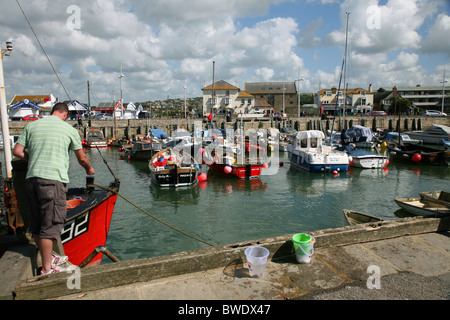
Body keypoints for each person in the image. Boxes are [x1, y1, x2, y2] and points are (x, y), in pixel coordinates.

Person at [13, 102, 95, 275]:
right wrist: (89, 169)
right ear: (65, 114)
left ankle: (49, 257)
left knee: (36, 224)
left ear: (53, 111)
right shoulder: (69, 130)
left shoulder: (32, 125)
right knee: (50, 225)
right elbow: (81, 158)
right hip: (52, 182)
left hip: (31, 180)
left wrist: (34, 158)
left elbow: (17, 151)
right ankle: (47, 268)